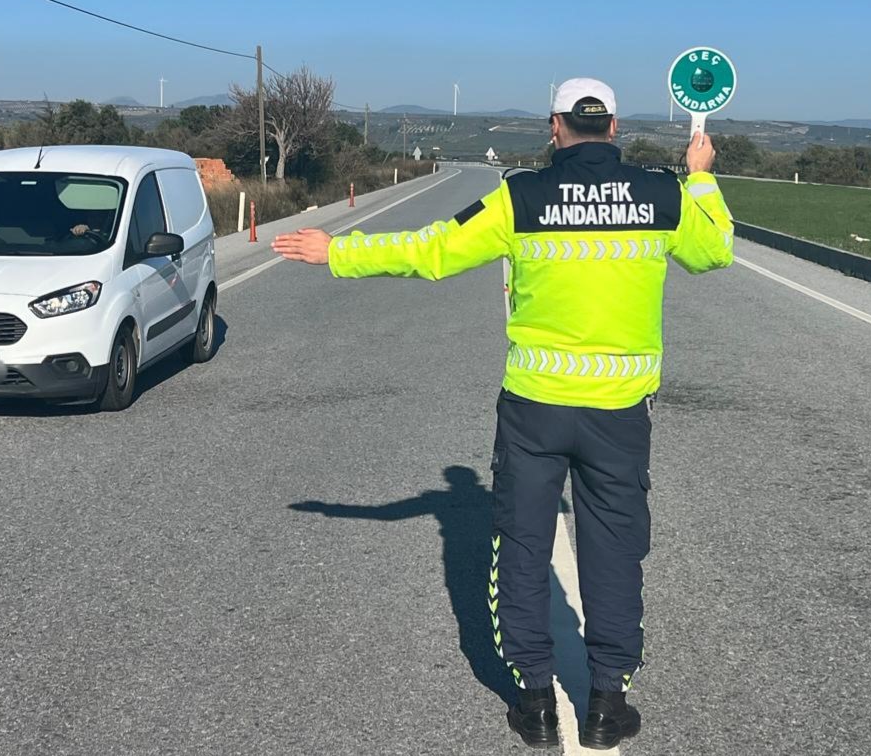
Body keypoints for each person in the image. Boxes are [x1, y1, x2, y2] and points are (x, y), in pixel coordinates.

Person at [271, 78, 734, 750]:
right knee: (615, 552)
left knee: (521, 547)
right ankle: (608, 701)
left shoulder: (520, 197)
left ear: (555, 127)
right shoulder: (663, 195)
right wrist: (699, 179)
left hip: (535, 409)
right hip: (620, 413)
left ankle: (536, 702)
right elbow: (716, 249)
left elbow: (432, 251)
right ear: (615, 126)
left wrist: (337, 251)